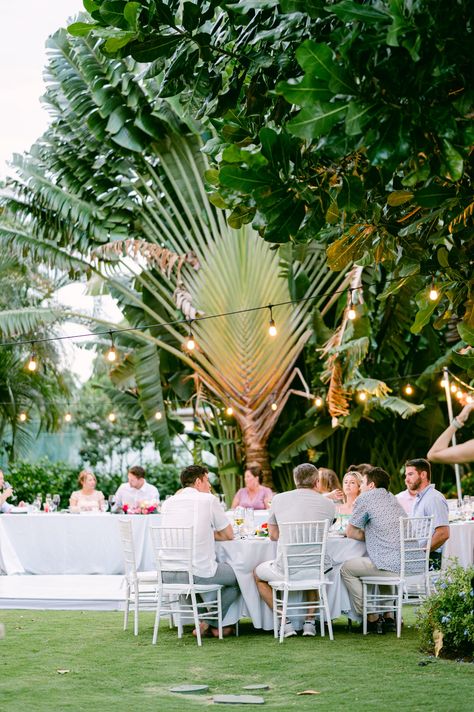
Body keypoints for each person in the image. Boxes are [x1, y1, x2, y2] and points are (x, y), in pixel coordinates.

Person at [254, 463, 336, 638]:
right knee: (315, 569)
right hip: (316, 568)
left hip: (286, 569)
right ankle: (309, 623)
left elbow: (274, 535)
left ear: (295, 480)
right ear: (316, 481)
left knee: (257, 575)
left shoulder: (279, 499)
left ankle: (285, 622)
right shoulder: (329, 504)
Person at [160, 464, 239, 638]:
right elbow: (228, 534)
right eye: (207, 480)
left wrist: (204, 533)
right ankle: (209, 622)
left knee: (188, 583)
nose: (209, 486)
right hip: (196, 572)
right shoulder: (208, 500)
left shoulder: (167, 503)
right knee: (239, 576)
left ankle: (204, 622)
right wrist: (213, 534)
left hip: (168, 572)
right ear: (198, 482)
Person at [341, 467, 410, 633]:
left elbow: (351, 532)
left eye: (363, 483)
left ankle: (370, 616)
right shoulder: (392, 498)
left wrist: (370, 536)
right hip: (402, 563)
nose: (361, 486)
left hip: (386, 564)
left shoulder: (366, 498)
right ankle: (389, 617)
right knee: (382, 560)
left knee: (346, 569)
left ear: (371, 485)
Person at [404, 458, 449, 568]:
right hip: (418, 557)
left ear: (423, 474)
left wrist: (421, 553)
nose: (406, 479)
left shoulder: (433, 498)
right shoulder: (420, 498)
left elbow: (443, 533)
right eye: (406, 475)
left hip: (430, 558)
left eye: (410, 474)